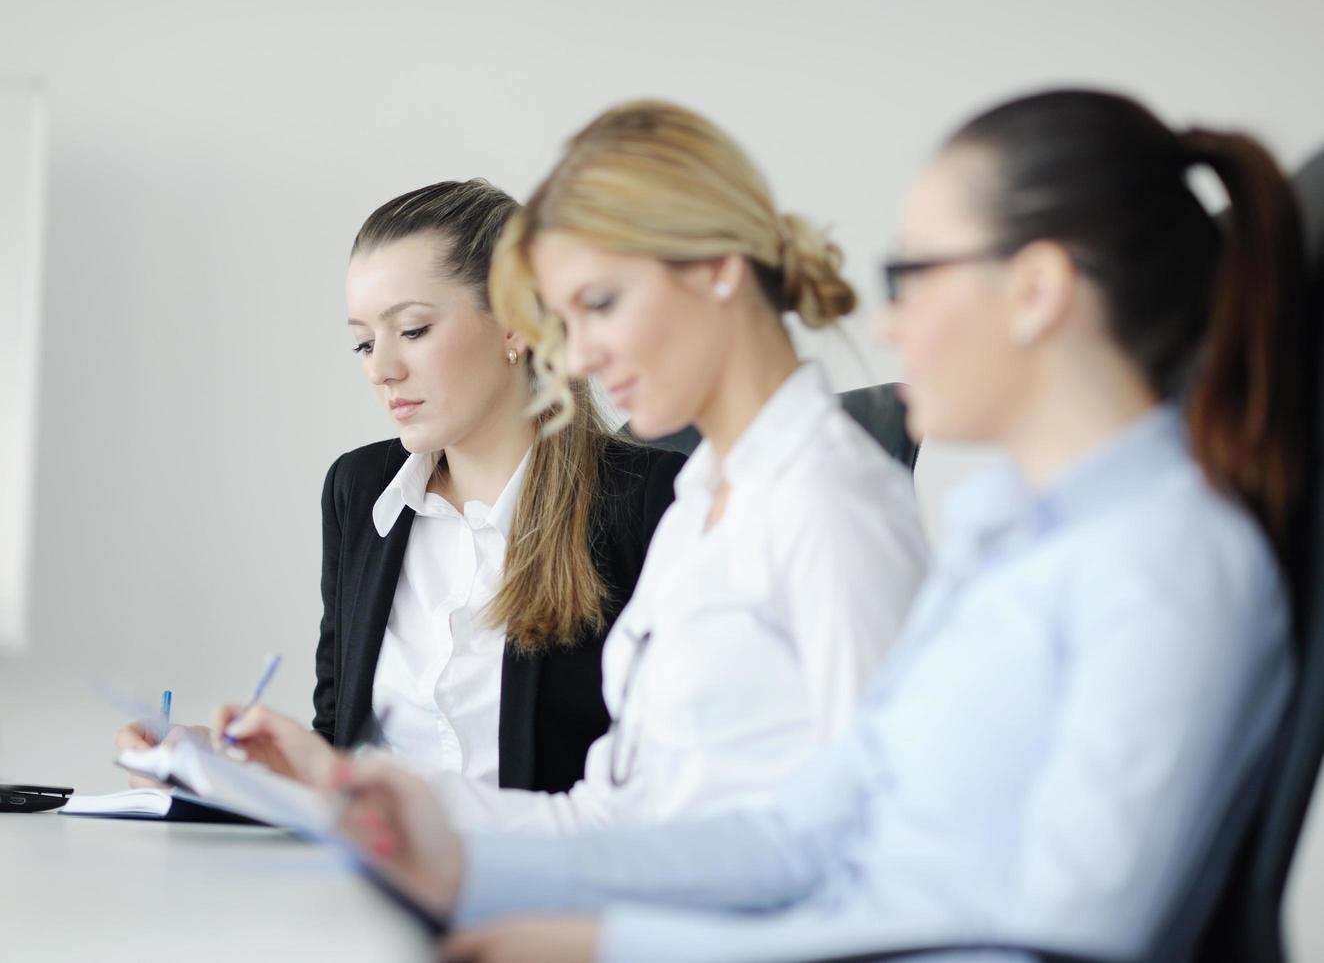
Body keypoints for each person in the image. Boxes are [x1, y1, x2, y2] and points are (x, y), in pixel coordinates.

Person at [339, 88, 1312, 963]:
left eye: (915, 275)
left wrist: (613, 945)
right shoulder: (1000, 531)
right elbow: (813, 829)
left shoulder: (1169, 561)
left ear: (1037, 290)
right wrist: (473, 868)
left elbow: (1048, 934)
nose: (885, 326)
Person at [227, 100, 927, 833]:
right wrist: (331, 782)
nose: (580, 352)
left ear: (718, 271)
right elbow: (617, 814)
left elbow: (872, 834)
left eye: (601, 303)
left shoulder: (823, 503)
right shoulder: (701, 498)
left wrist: (584, 934)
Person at [116, 179, 684, 797]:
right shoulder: (358, 492)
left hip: (541, 881)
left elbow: (666, 778)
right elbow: (339, 744)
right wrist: (226, 764)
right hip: (367, 879)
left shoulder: (648, 502)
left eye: (411, 330)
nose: (379, 369)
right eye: (363, 341)